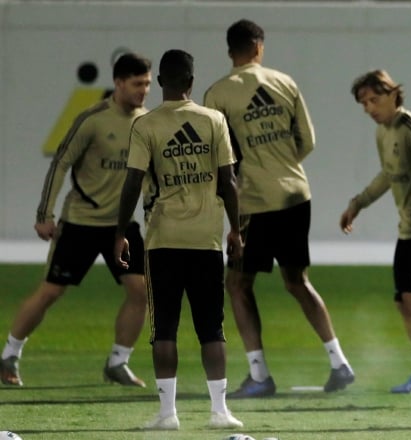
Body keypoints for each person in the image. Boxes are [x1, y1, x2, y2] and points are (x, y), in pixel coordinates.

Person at [203, 19, 354, 397]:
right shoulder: (284, 82)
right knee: (297, 281)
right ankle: (340, 363)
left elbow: (217, 160)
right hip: (296, 194)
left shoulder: (218, 94)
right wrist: (283, 164)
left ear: (230, 51)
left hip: (254, 200)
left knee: (237, 284)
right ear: (259, 48)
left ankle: (259, 375)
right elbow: (308, 140)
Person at [0, 53, 152, 388]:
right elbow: (60, 163)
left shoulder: (147, 123)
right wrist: (45, 214)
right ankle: (9, 354)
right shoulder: (92, 119)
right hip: (81, 222)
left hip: (122, 227)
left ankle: (118, 362)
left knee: (141, 290)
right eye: (138, 84)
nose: (144, 90)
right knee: (51, 292)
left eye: (148, 84)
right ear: (118, 83)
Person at [114, 49, 244, 430]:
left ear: (161, 83)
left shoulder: (147, 125)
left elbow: (133, 182)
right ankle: (220, 412)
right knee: (211, 327)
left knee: (164, 328)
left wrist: (120, 232)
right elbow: (228, 181)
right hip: (206, 238)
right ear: (191, 81)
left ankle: (168, 414)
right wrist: (236, 229)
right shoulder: (214, 120)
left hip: (162, 239)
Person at [341, 69, 411, 394]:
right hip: (408, 227)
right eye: (363, 103)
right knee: (403, 301)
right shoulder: (383, 133)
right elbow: (388, 175)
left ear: (393, 94)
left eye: (373, 99)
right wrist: (358, 203)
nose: (369, 107)